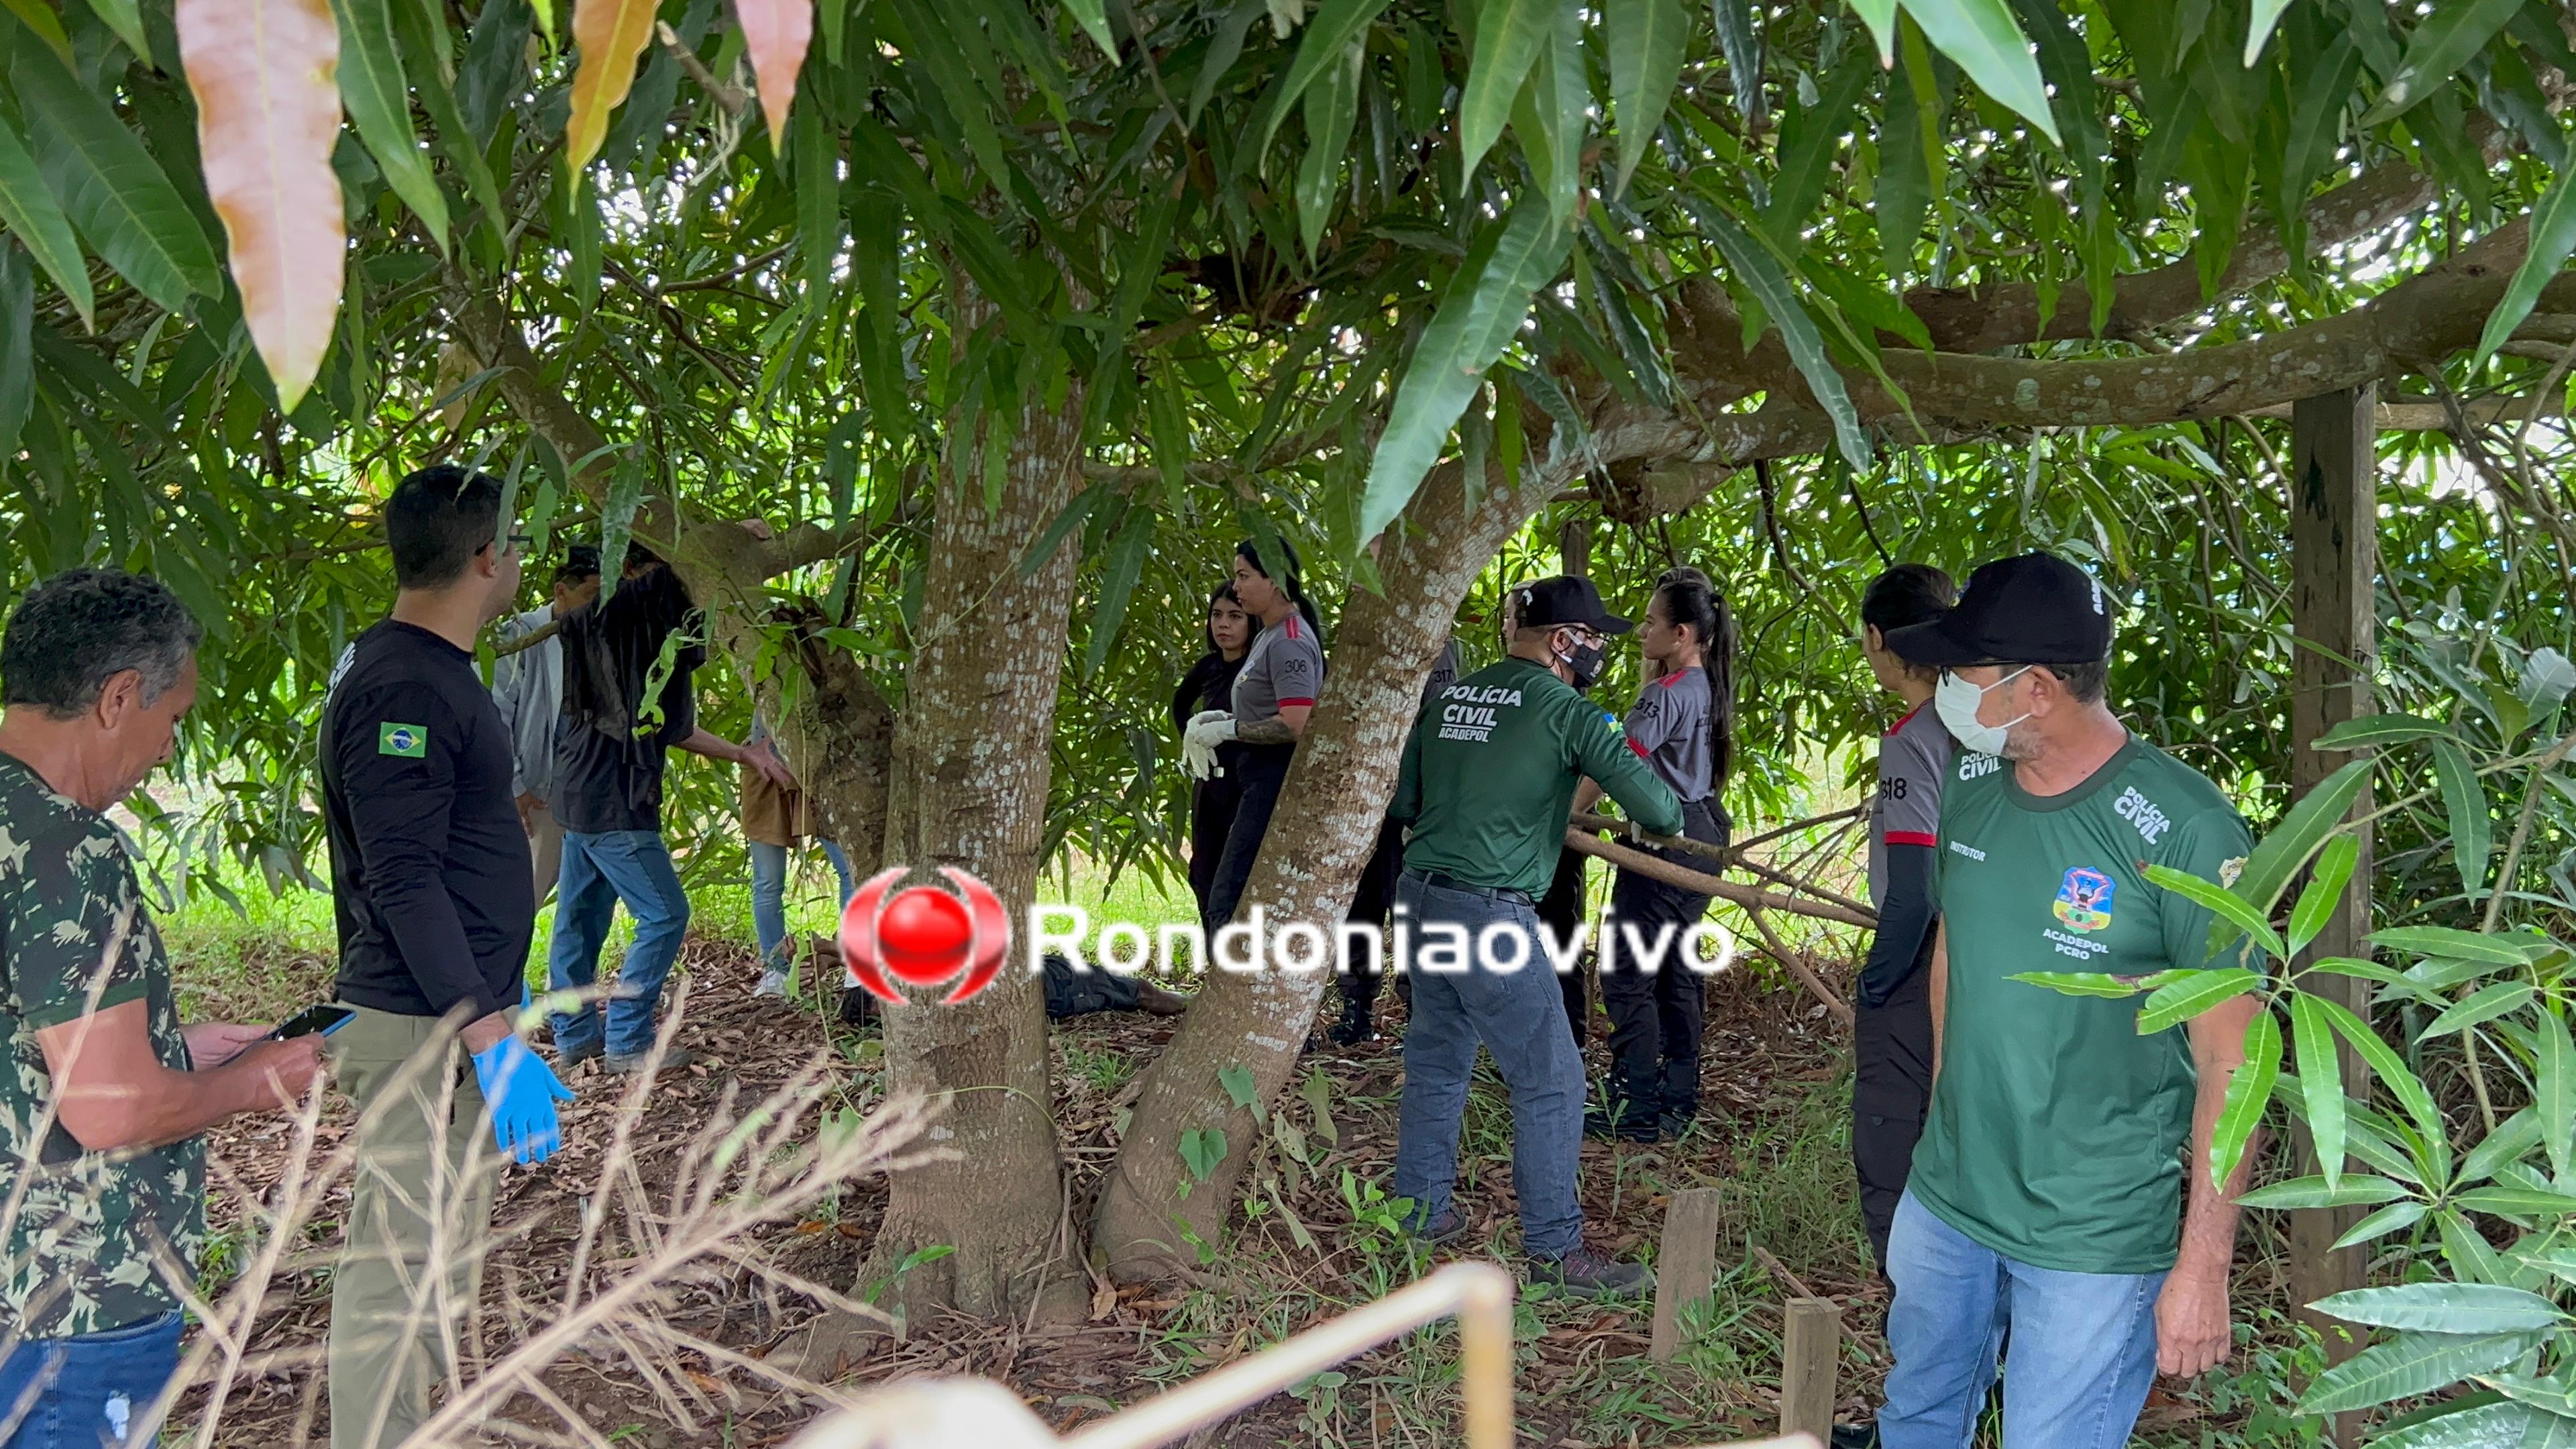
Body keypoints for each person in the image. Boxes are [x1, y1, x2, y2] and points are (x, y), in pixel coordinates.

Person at [1874, 553, 2255, 1449]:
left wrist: (2204, 1263)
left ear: (2035, 688)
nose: (1943, 690)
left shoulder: (2187, 831)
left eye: (1963, 673)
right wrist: (1942, 1114)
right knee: (1917, 1417)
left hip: (2092, 1232)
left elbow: (2231, 1062)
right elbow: (1952, 956)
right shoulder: (1970, 787)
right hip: (1950, 1200)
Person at [0, 571, 324, 1447]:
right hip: (73, 1300)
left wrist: (163, 1045)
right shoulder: (69, 847)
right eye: (172, 717)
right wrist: (260, 1082)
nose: (166, 749)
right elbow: (111, 1111)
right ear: (116, 699)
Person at [319, 465, 577, 1449]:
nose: (521, 561)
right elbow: (402, 875)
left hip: (450, 1018)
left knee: (441, 1258)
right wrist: (486, 1031)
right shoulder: (403, 682)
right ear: (486, 559)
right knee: (397, 1264)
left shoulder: (426, 670)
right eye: (515, 543)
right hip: (417, 1022)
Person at [1387, 576, 1681, 1297]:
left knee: (1437, 1055)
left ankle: (1419, 1211)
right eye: (1594, 640)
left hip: (1421, 895)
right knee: (1552, 1079)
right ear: (1562, 642)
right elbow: (1663, 811)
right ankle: (1558, 1252)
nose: (1601, 652)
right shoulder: (1571, 712)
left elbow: (1406, 801)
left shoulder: (1451, 698)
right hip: (1491, 912)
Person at [545, 542, 794, 1073]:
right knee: (664, 914)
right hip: (612, 802)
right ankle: (628, 1041)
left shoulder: (627, 638)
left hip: (581, 793)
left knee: (579, 919)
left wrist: (743, 753)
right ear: (633, 572)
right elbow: (675, 581)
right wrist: (724, 541)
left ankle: (575, 1036)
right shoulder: (621, 618)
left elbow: (669, 724)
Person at [1582, 566, 1737, 1143]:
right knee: (1676, 969)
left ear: (1683, 635)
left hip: (1664, 839)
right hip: (1705, 833)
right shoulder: (1712, 687)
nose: (1641, 631)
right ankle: (1679, 1094)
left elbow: (1618, 763)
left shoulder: (1665, 692)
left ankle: (1637, 1102)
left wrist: (1571, 815)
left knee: (1626, 971)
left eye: (1651, 623)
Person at [1851, 564, 1958, 1271]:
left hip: (1923, 958)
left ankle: (1910, 1289)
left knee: (1892, 1122)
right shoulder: (1988, 727)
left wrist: (1879, 980)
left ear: (1876, 638)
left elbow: (1913, 887)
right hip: (1984, 946)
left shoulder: (1915, 737)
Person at [1182, 540, 1325, 935]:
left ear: (1275, 581)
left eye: (1244, 576)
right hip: (1251, 773)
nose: (1237, 585)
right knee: (1214, 881)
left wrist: (1229, 730)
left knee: (1228, 895)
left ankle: (1236, 989)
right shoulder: (1269, 633)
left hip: (1270, 776)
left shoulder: (1290, 640)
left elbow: (1296, 723)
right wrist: (1215, 720)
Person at [1328, 629, 1460, 1047]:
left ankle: (1418, 1014)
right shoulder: (1364, 635)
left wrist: (1421, 803)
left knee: (1405, 909)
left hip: (1408, 801)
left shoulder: (1434, 642)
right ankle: (1357, 1009)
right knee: (1358, 906)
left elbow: (1438, 724)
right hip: (1359, 797)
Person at [490, 543, 603, 902]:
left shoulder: (604, 634)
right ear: (560, 591)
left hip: (585, 786)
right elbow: (495, 713)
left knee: (573, 895)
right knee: (523, 893)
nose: (600, 605)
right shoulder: (522, 634)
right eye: (592, 595)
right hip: (537, 788)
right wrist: (515, 784)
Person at [745, 713, 857, 1000]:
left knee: (849, 869)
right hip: (766, 766)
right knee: (768, 881)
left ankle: (854, 965)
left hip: (816, 764)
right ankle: (775, 971)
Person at [1171, 585, 1251, 914]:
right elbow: (1180, 703)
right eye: (1217, 616)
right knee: (1203, 873)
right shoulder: (1208, 667)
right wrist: (1191, 740)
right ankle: (1216, 958)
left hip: (1245, 784)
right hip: (1209, 785)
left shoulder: (1256, 668)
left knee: (1236, 877)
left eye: (1235, 616)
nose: (1224, 625)